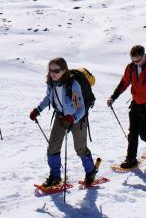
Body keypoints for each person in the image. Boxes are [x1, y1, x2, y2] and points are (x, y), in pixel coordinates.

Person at [30, 57, 98, 187]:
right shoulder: (51, 83)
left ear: (64, 70)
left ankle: (90, 172)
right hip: (60, 117)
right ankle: (55, 176)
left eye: (56, 70)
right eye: (50, 70)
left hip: (77, 119)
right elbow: (48, 98)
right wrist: (38, 109)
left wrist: (73, 118)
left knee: (80, 148)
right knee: (52, 148)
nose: (53, 73)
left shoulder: (73, 84)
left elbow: (81, 108)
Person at [106, 45, 146, 168]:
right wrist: (113, 97)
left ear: (144, 56)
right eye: (133, 60)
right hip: (136, 103)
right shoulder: (131, 67)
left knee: (144, 133)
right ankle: (131, 159)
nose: (136, 63)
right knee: (132, 132)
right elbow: (124, 83)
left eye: (138, 60)